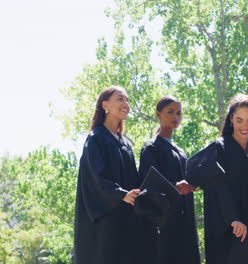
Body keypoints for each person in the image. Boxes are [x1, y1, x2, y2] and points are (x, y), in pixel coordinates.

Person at [187, 94, 248, 264]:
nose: (245, 126)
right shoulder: (219, 148)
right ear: (231, 119)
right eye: (239, 120)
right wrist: (231, 217)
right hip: (226, 232)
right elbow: (192, 172)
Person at [74, 86, 153, 264]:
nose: (126, 104)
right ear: (105, 105)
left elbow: (135, 182)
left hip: (124, 221)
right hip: (104, 223)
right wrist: (120, 194)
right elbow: (95, 178)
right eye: (120, 99)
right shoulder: (96, 138)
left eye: (127, 100)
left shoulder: (124, 144)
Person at [139, 96, 200, 264]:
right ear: (159, 114)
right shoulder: (152, 148)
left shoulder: (180, 151)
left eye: (179, 113)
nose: (176, 117)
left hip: (185, 220)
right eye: (170, 112)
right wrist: (175, 187)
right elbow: (148, 187)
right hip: (165, 223)